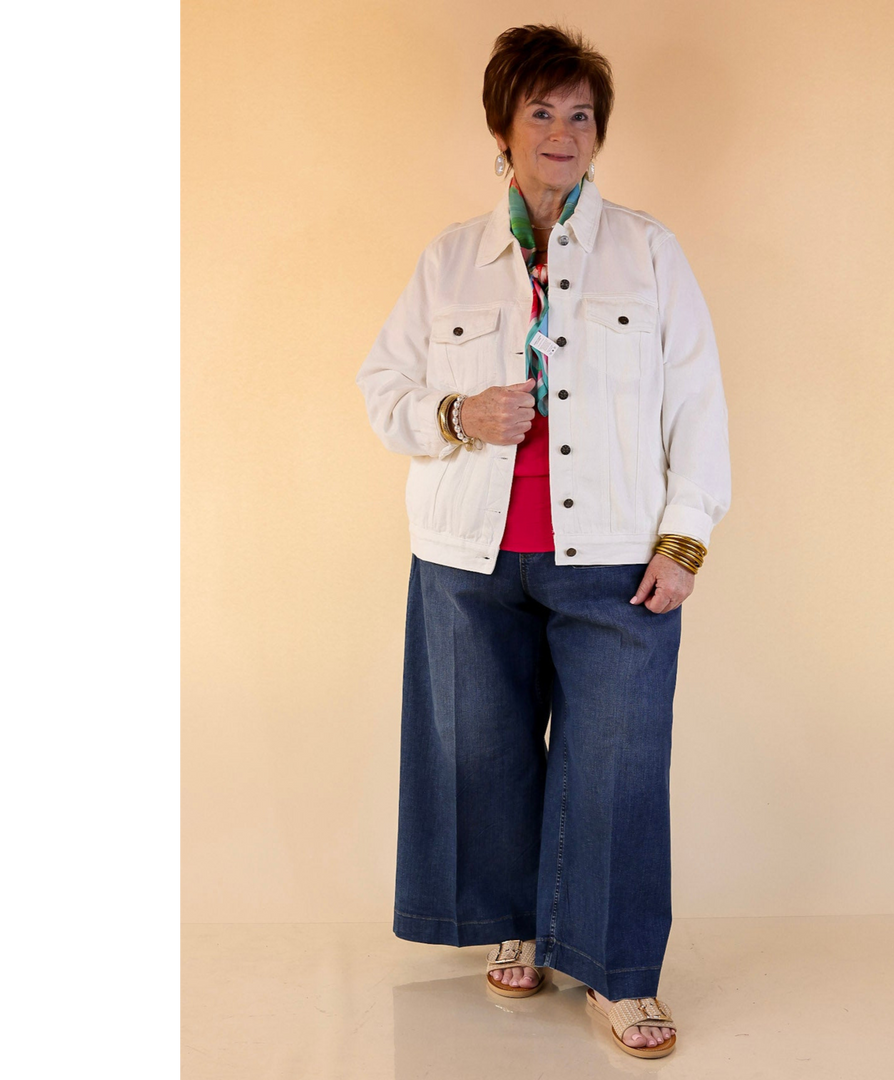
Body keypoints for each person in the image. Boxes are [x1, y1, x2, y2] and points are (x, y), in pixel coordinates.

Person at [355, 23, 730, 1060]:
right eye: (542, 112)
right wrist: (456, 414)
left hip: (612, 559)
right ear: (503, 130)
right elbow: (382, 391)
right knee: (483, 755)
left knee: (616, 764)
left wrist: (685, 538)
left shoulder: (648, 251)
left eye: (582, 115)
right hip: (467, 559)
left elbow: (697, 400)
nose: (564, 132)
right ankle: (513, 920)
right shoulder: (449, 260)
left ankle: (617, 972)